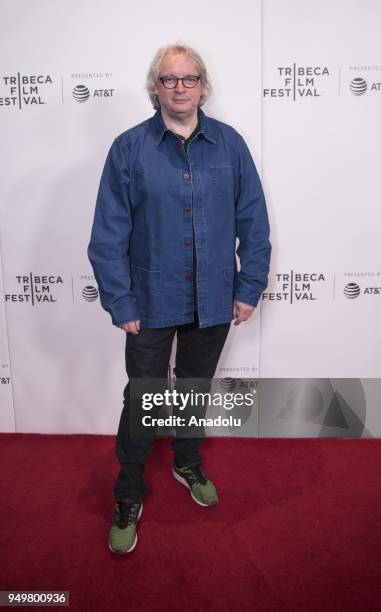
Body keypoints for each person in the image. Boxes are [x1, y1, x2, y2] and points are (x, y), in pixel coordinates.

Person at [87, 42, 271, 554]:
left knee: (192, 388)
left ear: (202, 85)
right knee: (142, 398)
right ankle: (128, 492)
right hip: (148, 302)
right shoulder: (129, 148)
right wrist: (120, 302)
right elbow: (108, 232)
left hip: (213, 299)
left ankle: (187, 463)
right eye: (170, 80)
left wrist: (249, 285)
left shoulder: (230, 146)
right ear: (156, 87)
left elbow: (254, 221)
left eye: (189, 79)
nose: (180, 87)